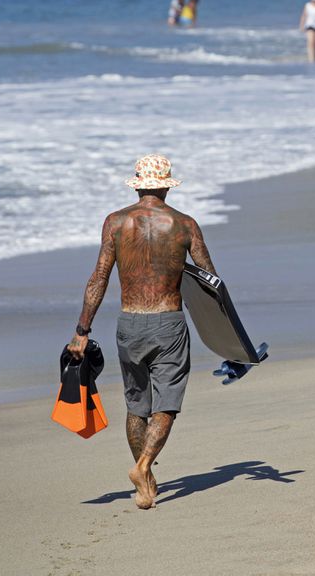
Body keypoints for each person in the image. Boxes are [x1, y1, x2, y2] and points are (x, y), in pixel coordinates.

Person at [68, 154, 215, 510]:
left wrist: (82, 331)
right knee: (167, 404)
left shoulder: (116, 223)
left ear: (137, 184)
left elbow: (99, 277)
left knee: (137, 406)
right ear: (165, 184)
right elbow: (211, 280)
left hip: (129, 322)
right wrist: (228, 336)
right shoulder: (184, 225)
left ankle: (145, 486)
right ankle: (143, 467)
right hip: (169, 322)